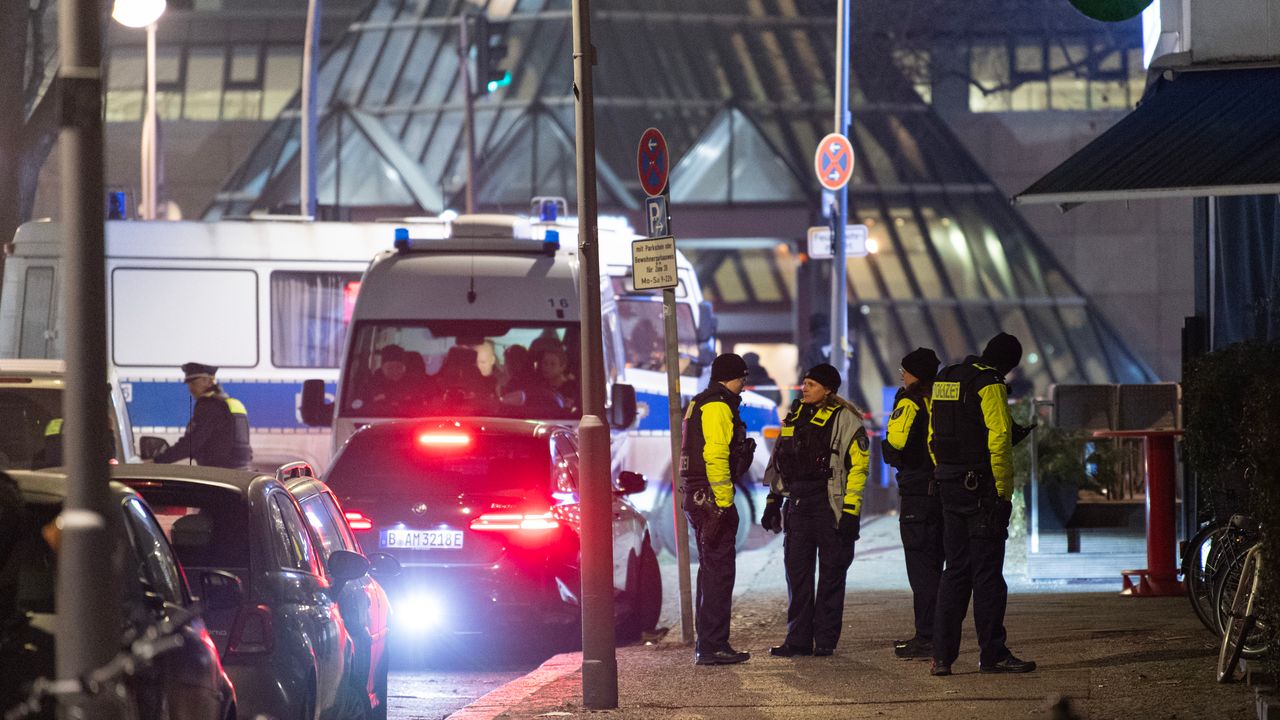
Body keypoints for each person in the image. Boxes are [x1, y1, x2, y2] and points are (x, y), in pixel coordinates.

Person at [927, 333, 1035, 676]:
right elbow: (999, 438)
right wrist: (1003, 492)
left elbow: (933, 435)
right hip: (980, 489)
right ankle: (992, 654)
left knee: (955, 571)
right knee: (987, 573)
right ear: (1008, 365)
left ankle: (942, 657)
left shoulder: (946, 377)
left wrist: (945, 471)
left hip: (949, 485)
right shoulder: (989, 383)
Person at [761, 363, 868, 658]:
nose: (804, 388)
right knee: (797, 574)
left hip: (828, 505)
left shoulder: (846, 419)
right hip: (798, 504)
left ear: (828, 389)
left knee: (832, 573)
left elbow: (858, 468)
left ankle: (824, 640)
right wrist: (773, 501)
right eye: (804, 383)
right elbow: (780, 461)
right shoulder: (796, 415)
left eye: (811, 384)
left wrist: (850, 512)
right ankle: (797, 640)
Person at [680, 353, 756, 666]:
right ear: (733, 377)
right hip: (711, 498)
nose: (744, 386)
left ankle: (708, 644)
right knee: (719, 574)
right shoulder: (718, 406)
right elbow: (715, 455)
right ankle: (713, 646)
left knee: (710, 570)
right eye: (742, 379)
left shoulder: (700, 402)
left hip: (696, 495)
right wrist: (724, 503)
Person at [882, 347, 944, 659]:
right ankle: (941, 634)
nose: (901, 376)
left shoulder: (909, 401)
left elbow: (895, 444)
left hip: (918, 495)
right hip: (945, 493)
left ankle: (926, 637)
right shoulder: (943, 399)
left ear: (915, 374)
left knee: (921, 571)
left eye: (904, 371)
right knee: (939, 567)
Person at [154, 363, 252, 470]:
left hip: (218, 472)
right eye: (189, 384)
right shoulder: (232, 403)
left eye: (193, 383)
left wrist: (158, 461)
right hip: (241, 470)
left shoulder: (209, 405)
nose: (190, 388)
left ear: (208, 381)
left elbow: (192, 443)